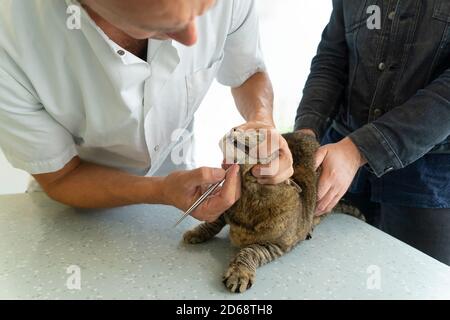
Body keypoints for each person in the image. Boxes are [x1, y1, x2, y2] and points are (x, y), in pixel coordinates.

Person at [0, 0, 293, 223]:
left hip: (177, 203)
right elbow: (61, 177)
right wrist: (160, 190)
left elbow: (248, 73)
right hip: (73, 213)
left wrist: (261, 119)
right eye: (162, 26)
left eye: (201, 9)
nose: (192, 38)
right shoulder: (11, 43)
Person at [295, 0, 450, 265]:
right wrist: (304, 138)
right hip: (337, 166)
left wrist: (359, 149)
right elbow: (332, 59)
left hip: (427, 184)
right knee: (326, 277)